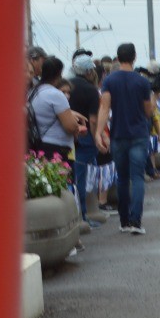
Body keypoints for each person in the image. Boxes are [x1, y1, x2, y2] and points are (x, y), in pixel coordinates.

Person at [94, 42, 154, 235]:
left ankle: (124, 221)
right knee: (137, 178)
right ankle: (136, 221)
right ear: (134, 57)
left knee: (122, 179)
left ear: (118, 58)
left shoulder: (109, 81)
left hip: (118, 134)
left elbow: (104, 108)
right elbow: (148, 111)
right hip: (139, 134)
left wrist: (99, 132)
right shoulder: (142, 82)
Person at [68, 54, 104, 229]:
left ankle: (79, 214)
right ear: (89, 71)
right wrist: (97, 136)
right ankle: (82, 215)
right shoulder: (91, 90)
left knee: (74, 176)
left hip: (69, 134)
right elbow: (94, 119)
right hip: (86, 136)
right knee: (82, 178)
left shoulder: (67, 85)